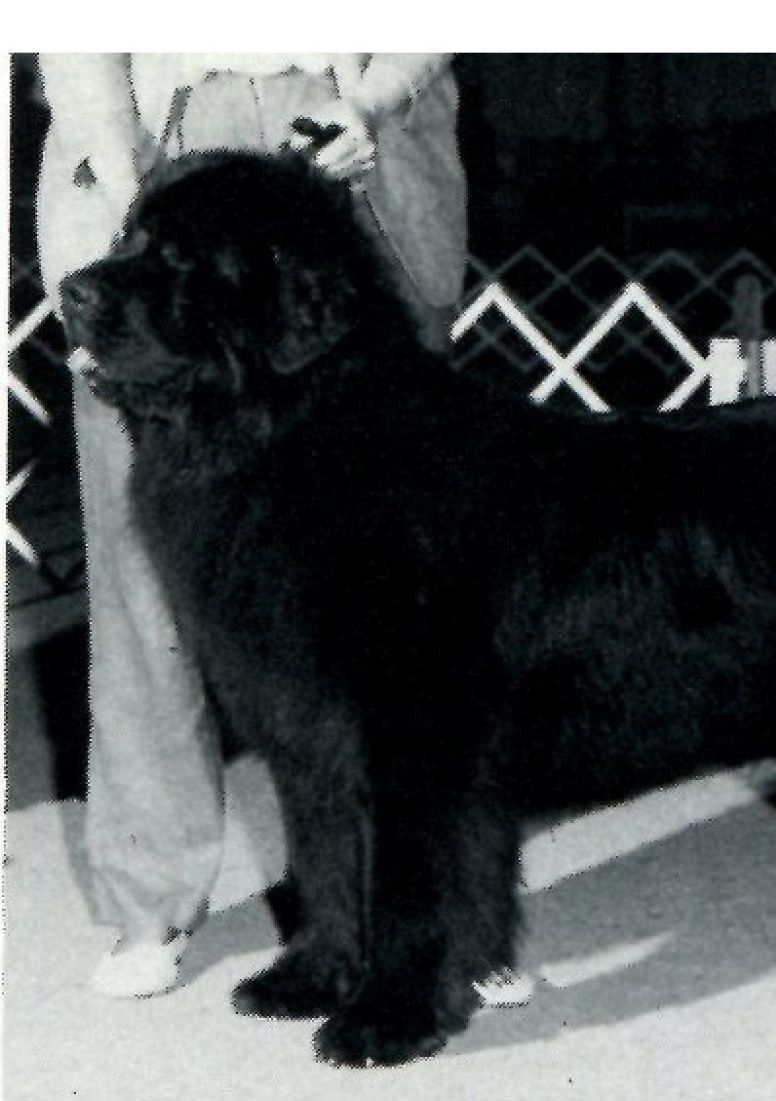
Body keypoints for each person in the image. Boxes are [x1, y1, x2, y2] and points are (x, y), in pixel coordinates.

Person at [36, 53, 532, 1006]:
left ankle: (450, 917)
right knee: (151, 590)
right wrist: (143, 196)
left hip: (358, 135)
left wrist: (372, 101)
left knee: (418, 614)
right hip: (152, 130)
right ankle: (152, 895)